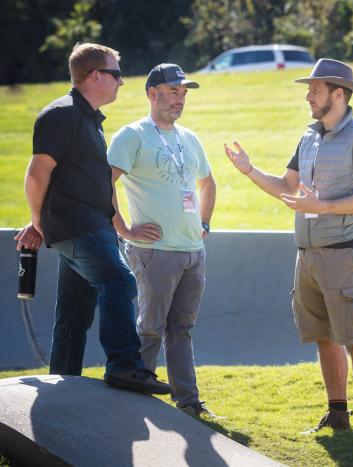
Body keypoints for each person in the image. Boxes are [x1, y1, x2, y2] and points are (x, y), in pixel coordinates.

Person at [225, 58, 353, 442]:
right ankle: (337, 415)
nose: (308, 96)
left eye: (314, 90)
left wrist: (324, 207)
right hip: (308, 254)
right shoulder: (308, 138)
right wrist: (249, 170)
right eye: (308, 90)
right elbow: (287, 186)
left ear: (338, 93)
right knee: (324, 336)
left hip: (344, 253)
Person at [14, 43, 170, 395]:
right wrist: (39, 222)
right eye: (116, 74)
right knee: (119, 281)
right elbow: (37, 175)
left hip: (90, 226)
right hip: (78, 228)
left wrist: (122, 228)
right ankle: (125, 366)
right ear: (95, 75)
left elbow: (96, 184)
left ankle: (62, 381)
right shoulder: (62, 114)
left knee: (73, 313)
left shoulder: (89, 121)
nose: (121, 82)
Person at [108, 64, 217, 418]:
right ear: (152, 94)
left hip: (192, 251)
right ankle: (137, 404)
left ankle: (187, 403)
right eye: (173, 92)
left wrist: (204, 223)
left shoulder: (189, 138)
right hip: (154, 252)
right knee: (150, 329)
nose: (180, 99)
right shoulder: (132, 135)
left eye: (184, 93)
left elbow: (207, 183)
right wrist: (124, 230)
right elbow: (103, 183)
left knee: (181, 330)